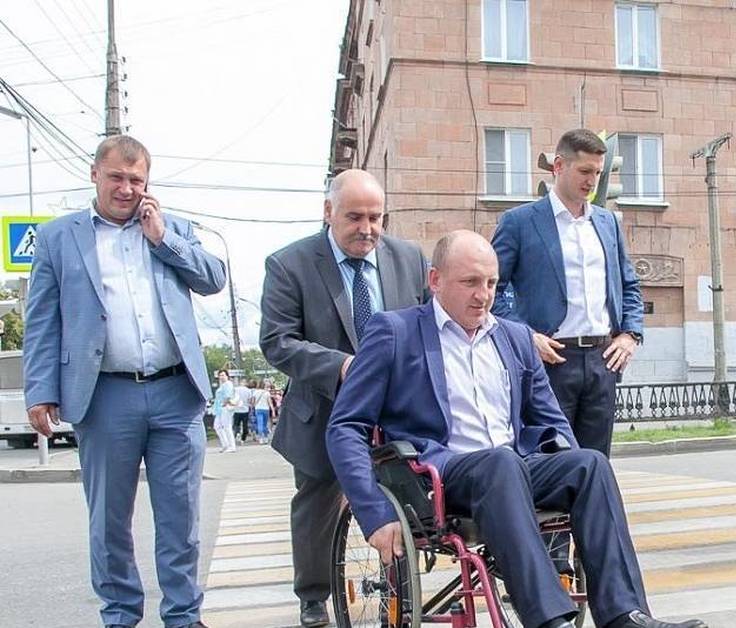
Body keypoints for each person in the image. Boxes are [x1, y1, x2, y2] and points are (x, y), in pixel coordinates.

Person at [326, 230, 705, 628]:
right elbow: (345, 426)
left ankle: (624, 615)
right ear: (435, 280)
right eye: (470, 282)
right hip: (441, 476)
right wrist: (374, 512)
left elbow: (551, 419)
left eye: (491, 283)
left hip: (514, 468)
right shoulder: (395, 332)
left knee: (590, 464)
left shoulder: (516, 337)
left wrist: (566, 457)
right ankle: (550, 621)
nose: (483, 295)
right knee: (500, 463)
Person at [23, 135, 225, 628]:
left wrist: (163, 238)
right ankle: (120, 614)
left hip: (176, 393)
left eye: (137, 180)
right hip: (104, 395)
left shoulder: (172, 227)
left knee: (181, 518)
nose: (127, 189)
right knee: (109, 520)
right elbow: (42, 320)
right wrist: (41, 389)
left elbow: (213, 278)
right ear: (95, 174)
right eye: (117, 177)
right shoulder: (58, 237)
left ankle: (183, 615)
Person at [259, 168, 428, 628]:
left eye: (376, 217)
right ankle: (313, 596)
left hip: (394, 412)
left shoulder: (408, 258)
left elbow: (430, 323)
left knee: (405, 499)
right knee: (318, 504)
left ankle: (401, 587)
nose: (367, 228)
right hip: (323, 410)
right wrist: (342, 366)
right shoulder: (289, 264)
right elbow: (277, 341)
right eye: (355, 217)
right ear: (328, 212)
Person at [492, 128, 644, 457]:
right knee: (551, 459)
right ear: (559, 166)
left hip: (603, 360)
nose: (592, 181)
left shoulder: (607, 223)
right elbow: (490, 291)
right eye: (585, 171)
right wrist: (526, 337)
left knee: (596, 461)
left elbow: (629, 284)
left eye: (598, 173)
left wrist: (630, 335)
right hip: (550, 361)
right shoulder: (519, 222)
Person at [212, 369, 237, 453]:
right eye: (220, 375)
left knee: (227, 426)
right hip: (219, 409)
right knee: (217, 426)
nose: (221, 377)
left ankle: (232, 446)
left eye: (223, 375)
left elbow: (228, 396)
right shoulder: (222, 385)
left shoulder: (228, 384)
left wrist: (225, 403)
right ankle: (225, 444)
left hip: (225, 408)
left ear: (227, 376)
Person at [249, 378, 272, 444]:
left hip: (258, 409)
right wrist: (272, 410)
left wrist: (252, 408)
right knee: (265, 424)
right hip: (266, 409)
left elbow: (252, 402)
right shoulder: (267, 393)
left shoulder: (255, 392)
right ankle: (266, 438)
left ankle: (261, 438)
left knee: (259, 424)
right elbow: (269, 402)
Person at [231, 377, 252, 444]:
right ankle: (243, 439)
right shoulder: (248, 390)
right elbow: (250, 400)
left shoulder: (235, 389)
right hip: (245, 410)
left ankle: (237, 433)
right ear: (245, 383)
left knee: (236, 424)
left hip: (236, 410)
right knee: (245, 425)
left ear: (240, 382)